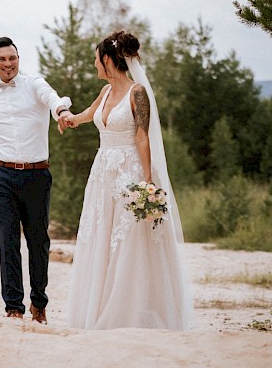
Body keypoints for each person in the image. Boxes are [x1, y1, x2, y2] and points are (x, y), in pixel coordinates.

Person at [61, 31, 192, 330]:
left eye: (96, 59)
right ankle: (100, 308)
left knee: (128, 242)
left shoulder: (137, 93)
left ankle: (130, 312)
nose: (94, 64)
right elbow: (88, 115)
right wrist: (68, 118)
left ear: (108, 59)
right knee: (101, 237)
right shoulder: (106, 92)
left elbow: (142, 136)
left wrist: (147, 182)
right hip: (102, 174)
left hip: (129, 173)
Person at [0, 37, 73, 323]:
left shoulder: (34, 85)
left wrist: (62, 112)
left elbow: (53, 99)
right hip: (1, 176)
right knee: (8, 241)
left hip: (36, 175)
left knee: (38, 241)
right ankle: (13, 307)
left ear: (18, 58)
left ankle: (38, 303)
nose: (8, 64)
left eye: (12, 58)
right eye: (2, 59)